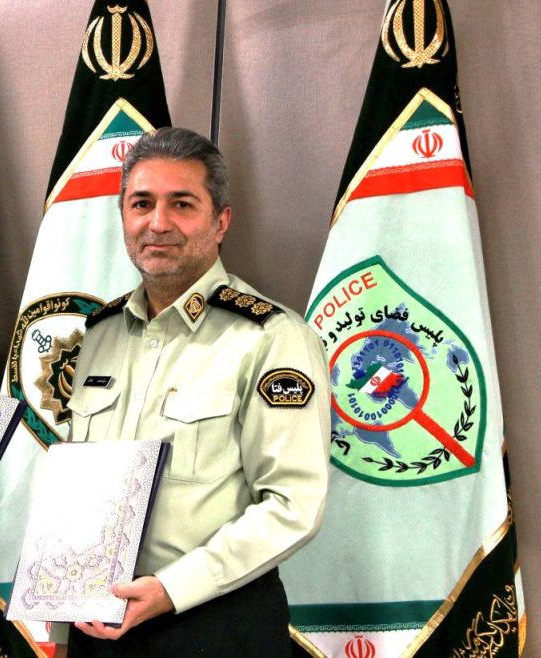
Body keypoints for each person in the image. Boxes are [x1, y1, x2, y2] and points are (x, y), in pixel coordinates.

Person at [61, 127, 330, 657]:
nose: (158, 223)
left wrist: (171, 589)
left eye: (182, 204)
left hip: (212, 623)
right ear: (123, 215)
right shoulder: (97, 335)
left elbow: (293, 504)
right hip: (99, 623)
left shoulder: (270, 338)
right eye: (142, 203)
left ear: (220, 221)